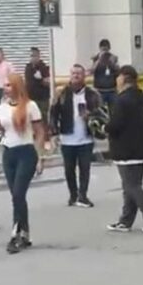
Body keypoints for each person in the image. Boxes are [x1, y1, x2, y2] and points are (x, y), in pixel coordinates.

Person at [0, 74, 47, 254]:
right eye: (4, 85)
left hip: (26, 152)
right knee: (17, 196)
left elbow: (39, 133)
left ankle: (16, 233)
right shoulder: (2, 108)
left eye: (8, 85)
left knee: (18, 193)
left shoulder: (31, 106)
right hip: (8, 152)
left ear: (17, 86)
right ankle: (25, 233)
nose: (5, 88)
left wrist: (40, 157)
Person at [105, 66, 143, 234]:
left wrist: (104, 127)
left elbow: (115, 125)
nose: (116, 80)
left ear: (124, 78)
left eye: (118, 77)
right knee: (130, 185)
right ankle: (125, 221)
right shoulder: (142, 97)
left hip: (124, 148)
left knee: (132, 186)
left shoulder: (121, 100)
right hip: (139, 146)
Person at [50, 64, 102, 208]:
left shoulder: (92, 94)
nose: (76, 76)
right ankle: (73, 195)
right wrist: (54, 134)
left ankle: (83, 195)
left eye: (79, 73)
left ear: (84, 76)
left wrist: (89, 117)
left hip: (86, 138)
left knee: (85, 168)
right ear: (70, 75)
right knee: (69, 169)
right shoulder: (62, 93)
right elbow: (53, 114)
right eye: (73, 73)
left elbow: (101, 114)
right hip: (67, 138)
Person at [24, 47, 51, 128]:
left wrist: (41, 79)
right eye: (31, 56)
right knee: (31, 116)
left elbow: (48, 82)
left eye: (35, 56)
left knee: (43, 116)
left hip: (42, 97)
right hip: (30, 97)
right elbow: (27, 82)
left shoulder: (44, 67)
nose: (33, 58)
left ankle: (45, 135)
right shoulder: (28, 68)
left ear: (39, 56)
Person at [91, 39, 120, 109]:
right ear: (100, 49)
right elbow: (92, 71)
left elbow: (118, 71)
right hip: (99, 91)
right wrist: (99, 60)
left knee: (114, 110)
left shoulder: (113, 57)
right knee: (100, 110)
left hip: (112, 90)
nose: (105, 52)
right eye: (103, 49)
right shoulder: (96, 58)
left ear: (109, 48)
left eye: (106, 49)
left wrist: (113, 63)